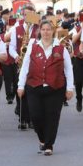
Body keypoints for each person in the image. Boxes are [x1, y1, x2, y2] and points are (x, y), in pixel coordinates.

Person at [17, 20, 74, 156]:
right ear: (40, 31)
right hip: (34, 86)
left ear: (53, 31)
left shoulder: (61, 48)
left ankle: (49, 145)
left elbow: (68, 69)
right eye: (43, 29)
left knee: (52, 117)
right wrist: (20, 85)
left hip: (55, 88)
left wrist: (70, 88)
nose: (46, 32)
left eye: (49, 29)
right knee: (36, 115)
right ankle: (42, 138)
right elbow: (25, 67)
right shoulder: (32, 46)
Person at [9, 5, 40, 130]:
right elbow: (11, 46)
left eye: (30, 14)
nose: (27, 17)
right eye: (25, 14)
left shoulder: (39, 28)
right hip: (21, 63)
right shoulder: (17, 28)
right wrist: (16, 56)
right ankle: (22, 118)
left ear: (34, 14)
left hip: (35, 63)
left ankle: (32, 118)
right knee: (21, 90)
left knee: (33, 91)